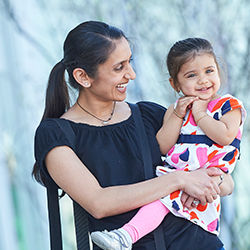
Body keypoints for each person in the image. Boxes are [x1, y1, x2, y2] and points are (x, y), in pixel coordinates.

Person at [33, 22, 234, 250]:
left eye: (130, 62)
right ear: (83, 76)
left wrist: (211, 181)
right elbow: (99, 202)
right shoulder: (57, 135)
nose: (132, 74)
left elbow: (226, 180)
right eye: (119, 67)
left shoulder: (151, 115)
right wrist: (180, 179)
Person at [90, 37, 246, 250]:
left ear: (218, 71)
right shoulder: (177, 109)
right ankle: (125, 236)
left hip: (208, 177)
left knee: (166, 206)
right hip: (178, 176)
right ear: (176, 84)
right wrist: (177, 115)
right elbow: (162, 147)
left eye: (209, 71)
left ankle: (126, 235)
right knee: (158, 202)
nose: (203, 81)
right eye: (192, 75)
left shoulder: (229, 105)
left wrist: (201, 116)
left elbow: (226, 136)